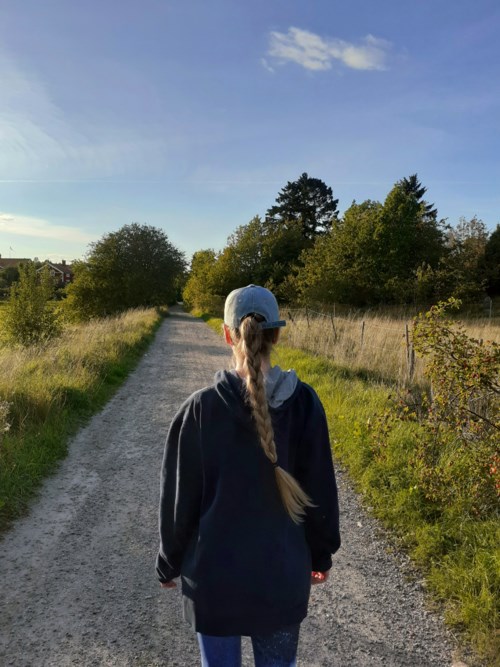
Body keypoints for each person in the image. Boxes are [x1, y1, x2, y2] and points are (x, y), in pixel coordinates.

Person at [156, 285, 341, 667]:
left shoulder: (199, 409)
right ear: (276, 335)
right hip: (280, 583)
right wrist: (320, 555)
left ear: (228, 335)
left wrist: (168, 562)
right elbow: (320, 491)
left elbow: (179, 500)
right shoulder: (305, 404)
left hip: (213, 585)